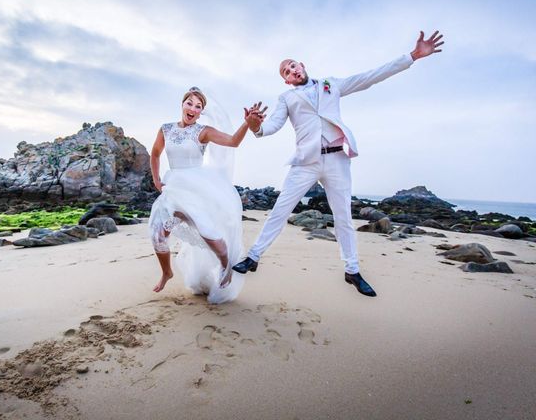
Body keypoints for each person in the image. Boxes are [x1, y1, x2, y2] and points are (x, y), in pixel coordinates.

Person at [233, 31, 445, 297]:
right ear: (286, 80)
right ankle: (252, 258)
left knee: (343, 216)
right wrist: (255, 127)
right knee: (280, 210)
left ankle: (352, 271)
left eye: (293, 65)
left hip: (337, 159)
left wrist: (411, 56)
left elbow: (368, 77)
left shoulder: (331, 84)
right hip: (306, 162)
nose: (292, 70)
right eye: (286, 71)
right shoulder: (287, 99)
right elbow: (272, 125)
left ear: (302, 65)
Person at [148, 87, 262, 304]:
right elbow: (155, 153)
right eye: (189, 103)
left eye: (198, 106)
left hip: (195, 191)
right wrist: (156, 179)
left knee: (210, 236)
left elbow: (232, 142)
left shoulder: (203, 131)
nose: (193, 108)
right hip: (173, 189)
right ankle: (167, 272)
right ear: (182, 104)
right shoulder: (166, 129)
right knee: (158, 235)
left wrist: (248, 124)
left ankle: (226, 265)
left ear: (201, 112)